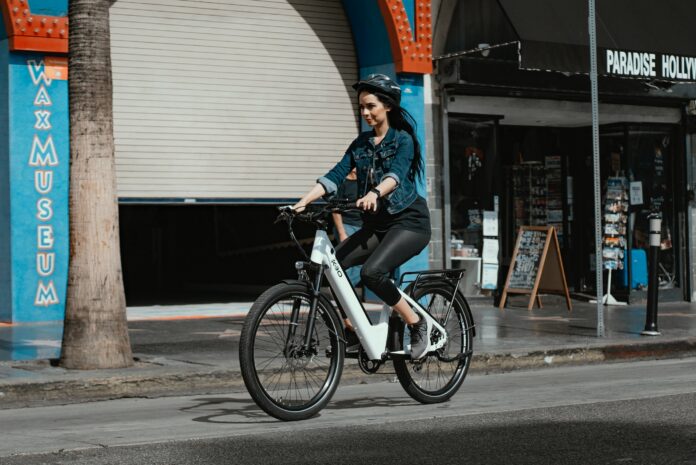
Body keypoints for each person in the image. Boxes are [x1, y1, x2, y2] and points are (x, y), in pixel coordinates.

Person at [292, 74, 432, 359]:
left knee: (372, 273)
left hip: (409, 223)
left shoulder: (403, 140)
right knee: (333, 268)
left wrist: (374, 194)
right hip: (378, 225)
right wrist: (302, 201)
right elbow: (335, 175)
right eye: (362, 108)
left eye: (371, 106)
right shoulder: (361, 144)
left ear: (387, 106)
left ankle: (417, 324)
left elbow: (395, 175)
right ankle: (353, 331)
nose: (366, 113)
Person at [332, 168, 363, 288]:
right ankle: (343, 291)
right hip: (347, 225)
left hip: (362, 225)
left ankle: (346, 290)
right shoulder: (343, 183)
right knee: (347, 259)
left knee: (361, 261)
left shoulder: (363, 182)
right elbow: (335, 209)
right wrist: (342, 233)